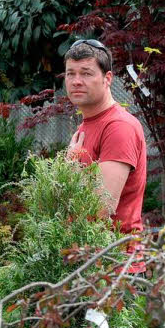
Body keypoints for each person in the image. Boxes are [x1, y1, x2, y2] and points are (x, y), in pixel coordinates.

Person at [63, 38, 146, 235]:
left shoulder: (119, 127)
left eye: (86, 73)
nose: (76, 81)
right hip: (85, 258)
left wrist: (70, 170)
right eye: (70, 74)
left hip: (115, 260)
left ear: (107, 78)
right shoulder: (87, 125)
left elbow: (101, 208)